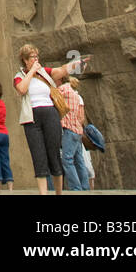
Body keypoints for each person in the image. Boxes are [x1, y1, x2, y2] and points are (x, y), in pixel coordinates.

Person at [13, 44, 88, 195]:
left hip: (50, 113)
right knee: (38, 155)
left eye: (37, 56)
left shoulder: (45, 73)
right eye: (33, 57)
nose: (36, 59)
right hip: (32, 118)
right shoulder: (19, 76)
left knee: (54, 153)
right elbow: (22, 89)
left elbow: (60, 71)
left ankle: (58, 192)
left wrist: (76, 63)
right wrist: (32, 71)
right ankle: (43, 193)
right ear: (25, 60)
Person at [59, 75, 90, 190]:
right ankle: (85, 188)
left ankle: (76, 188)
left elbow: (52, 96)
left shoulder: (63, 89)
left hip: (69, 129)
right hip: (78, 130)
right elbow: (81, 117)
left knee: (67, 160)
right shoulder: (77, 95)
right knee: (79, 160)